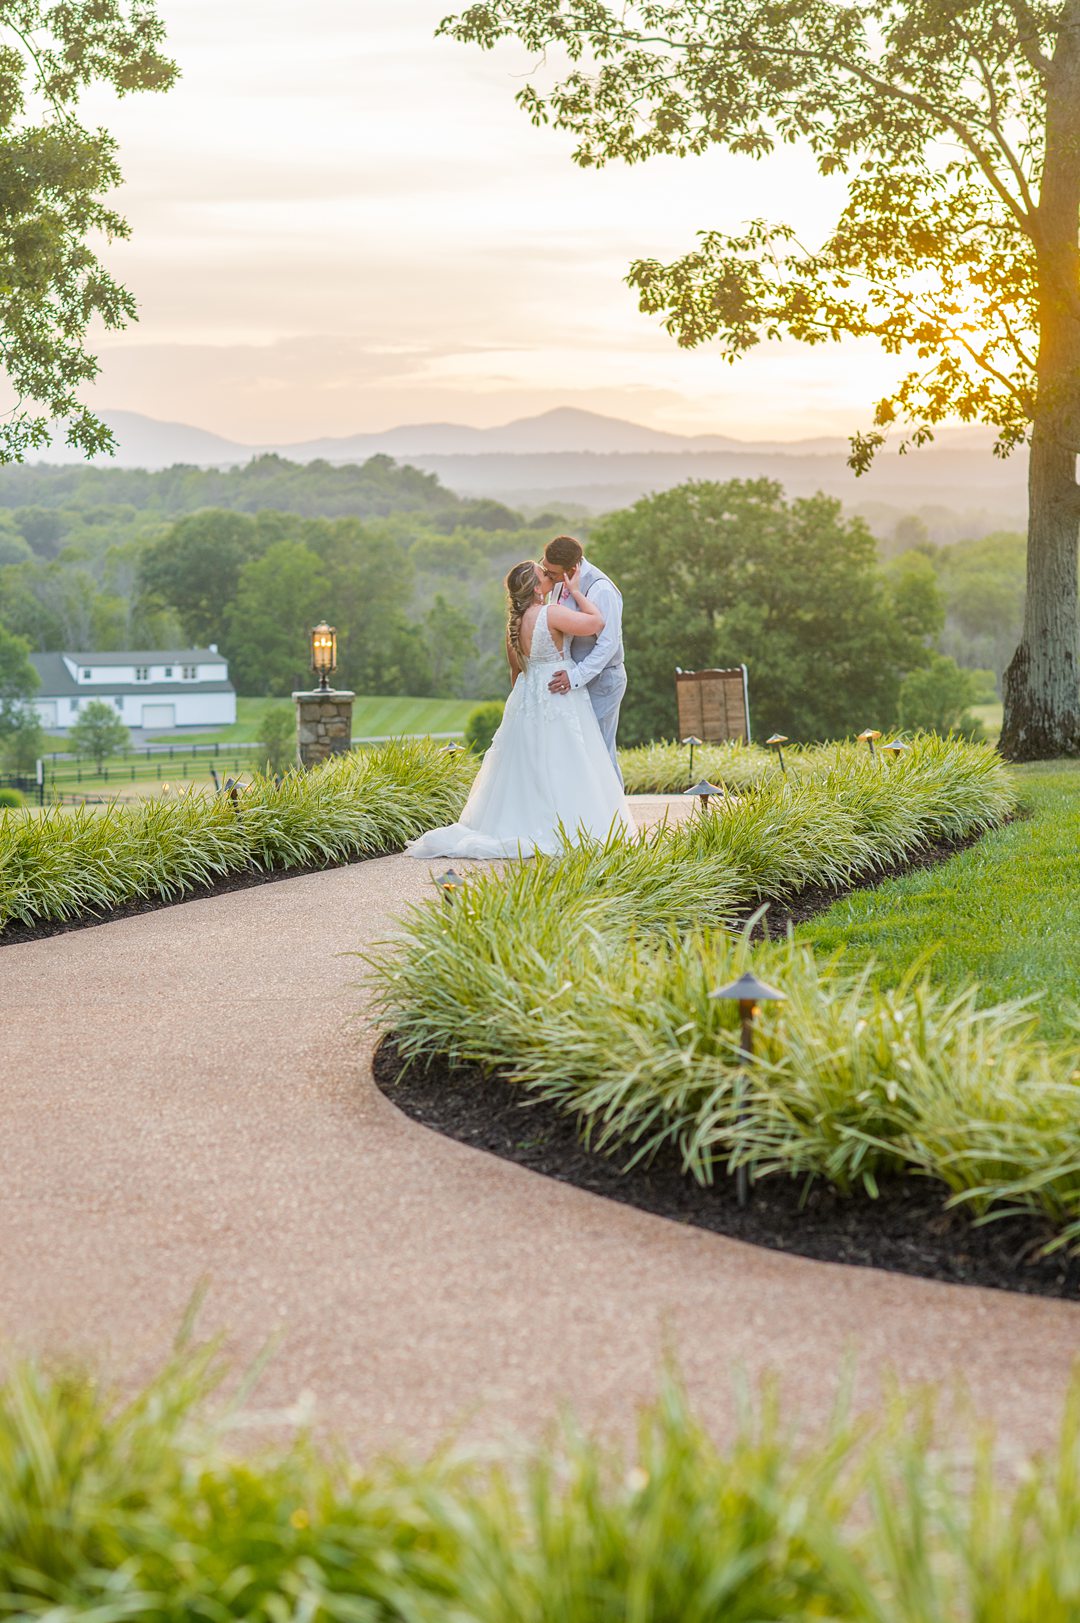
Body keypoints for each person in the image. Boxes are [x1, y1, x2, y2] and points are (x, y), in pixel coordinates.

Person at [406, 558, 635, 859]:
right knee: (567, 760)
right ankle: (566, 825)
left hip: (527, 697)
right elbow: (597, 623)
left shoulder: (514, 625)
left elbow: (516, 673)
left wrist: (526, 702)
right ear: (537, 587)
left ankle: (522, 820)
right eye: (544, 574)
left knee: (528, 764)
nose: (548, 574)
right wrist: (578, 592)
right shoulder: (550, 614)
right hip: (559, 694)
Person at [539, 535, 626, 784]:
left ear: (572, 569)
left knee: (598, 750)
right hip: (574, 679)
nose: (548, 576)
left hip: (603, 680)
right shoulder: (557, 581)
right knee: (577, 751)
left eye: (552, 573)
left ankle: (615, 817)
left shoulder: (601, 589)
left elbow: (608, 644)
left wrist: (574, 677)